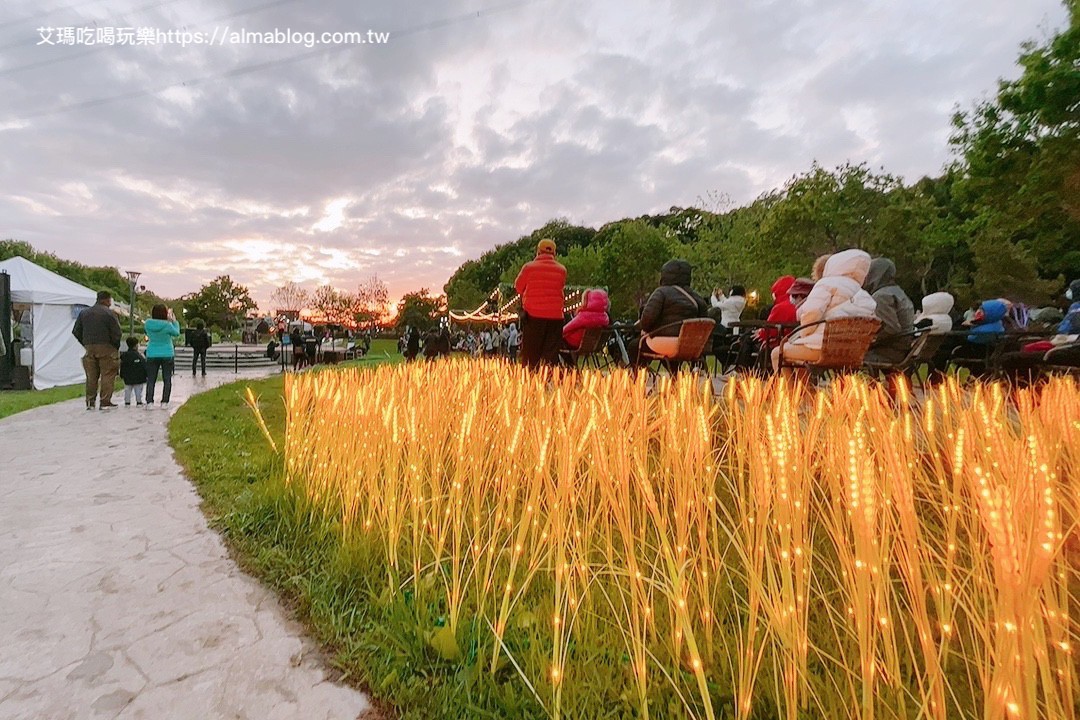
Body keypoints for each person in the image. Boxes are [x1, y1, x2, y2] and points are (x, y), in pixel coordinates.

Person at [771, 249, 876, 370]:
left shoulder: (826, 284)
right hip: (851, 353)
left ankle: (791, 389)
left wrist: (805, 334)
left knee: (777, 353)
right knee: (797, 358)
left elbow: (812, 312)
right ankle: (803, 388)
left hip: (821, 347)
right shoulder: (863, 294)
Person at [638, 259, 709, 359]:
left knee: (634, 346)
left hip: (665, 344)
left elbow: (646, 321)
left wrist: (648, 329)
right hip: (692, 345)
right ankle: (675, 373)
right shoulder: (697, 298)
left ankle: (638, 373)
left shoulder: (661, 292)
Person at [514, 238, 567, 369]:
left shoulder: (528, 267)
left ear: (538, 251)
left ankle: (531, 383)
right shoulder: (562, 270)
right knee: (550, 355)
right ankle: (549, 382)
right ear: (554, 253)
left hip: (533, 317)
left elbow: (518, 287)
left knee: (531, 354)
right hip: (556, 318)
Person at [72, 290, 123, 410]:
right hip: (107, 347)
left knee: (91, 376)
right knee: (107, 374)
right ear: (106, 300)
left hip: (89, 347)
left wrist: (85, 343)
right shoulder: (110, 314)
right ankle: (105, 401)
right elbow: (117, 333)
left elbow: (76, 331)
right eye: (110, 300)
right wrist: (114, 346)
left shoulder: (84, 313)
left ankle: (90, 402)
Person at [862, 258, 915, 365]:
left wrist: (870, 341)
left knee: (847, 358)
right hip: (903, 348)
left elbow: (891, 329)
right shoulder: (898, 292)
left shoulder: (881, 296)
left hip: (890, 351)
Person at [144, 304, 180, 409]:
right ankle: (164, 402)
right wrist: (174, 321)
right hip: (167, 353)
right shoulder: (167, 325)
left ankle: (149, 402)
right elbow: (176, 333)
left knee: (151, 379)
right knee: (167, 378)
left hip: (152, 352)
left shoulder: (148, 323)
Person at [756, 276, 797, 349]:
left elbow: (770, 330)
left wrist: (760, 333)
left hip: (778, 343)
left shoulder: (780, 307)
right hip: (793, 340)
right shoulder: (799, 304)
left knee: (747, 342)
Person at [119, 336, 147, 406]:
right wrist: (146, 375)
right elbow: (144, 366)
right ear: (136, 345)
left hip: (127, 377)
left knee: (127, 390)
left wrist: (122, 375)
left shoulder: (124, 356)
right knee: (138, 391)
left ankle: (127, 402)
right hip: (139, 378)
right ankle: (139, 401)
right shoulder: (139, 356)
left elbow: (122, 366)